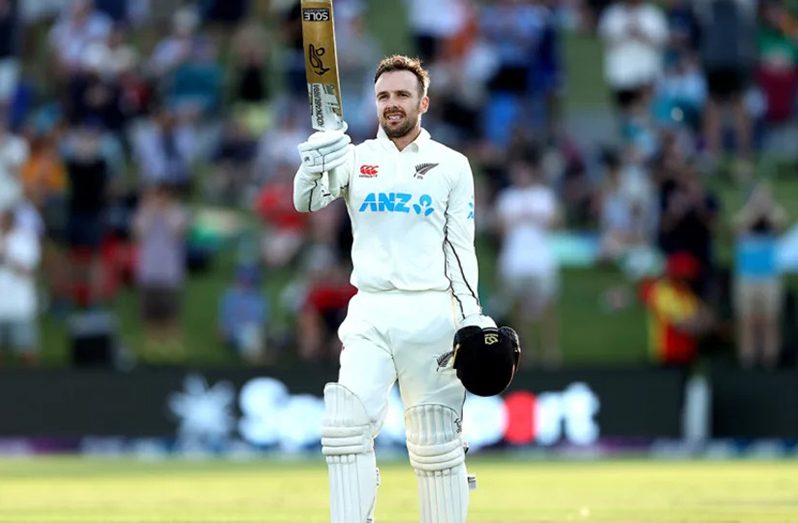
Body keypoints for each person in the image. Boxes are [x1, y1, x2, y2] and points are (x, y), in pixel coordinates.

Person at [293, 55, 514, 523]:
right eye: (384, 96)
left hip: (432, 312)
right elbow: (308, 202)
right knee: (345, 425)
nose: (392, 104)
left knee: (436, 441)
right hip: (370, 309)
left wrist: (473, 315)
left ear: (423, 102)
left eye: (402, 95)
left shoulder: (451, 165)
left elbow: (459, 249)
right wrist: (313, 162)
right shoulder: (354, 157)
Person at [732, 182, 788, 368]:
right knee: (748, 319)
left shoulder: (775, 214)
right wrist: (754, 210)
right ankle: (748, 357)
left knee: (770, 319)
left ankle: (770, 357)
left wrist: (767, 209)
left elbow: (779, 226)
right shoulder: (743, 215)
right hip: (747, 277)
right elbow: (740, 228)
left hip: (769, 276)